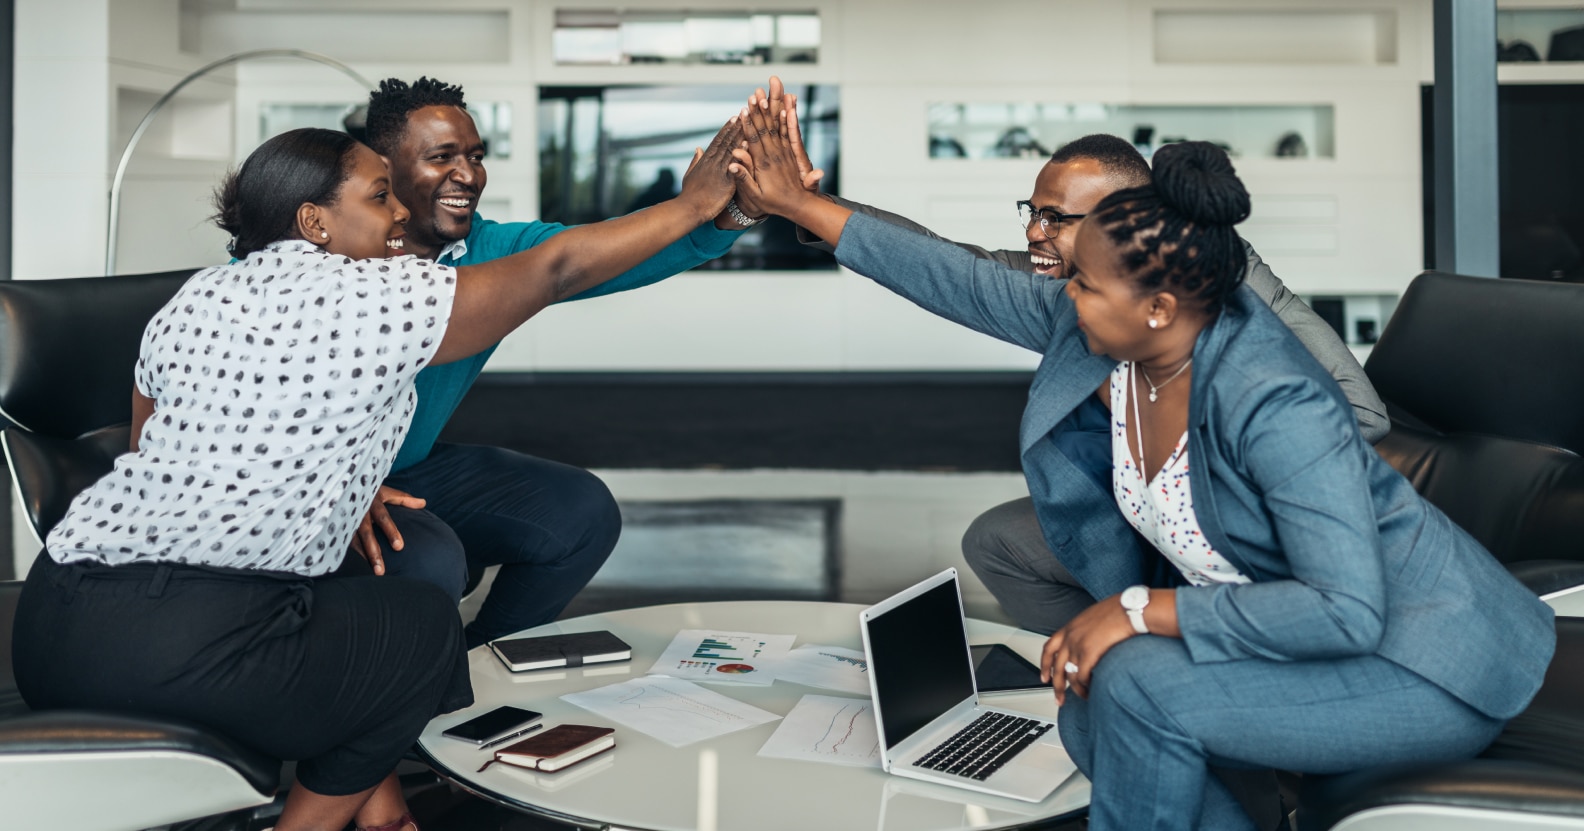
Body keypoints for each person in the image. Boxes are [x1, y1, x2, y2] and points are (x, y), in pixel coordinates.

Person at [728, 104, 1555, 831]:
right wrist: (801, 203)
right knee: (1095, 701)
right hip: (1293, 623)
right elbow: (951, 275)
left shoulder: (1274, 399)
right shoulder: (1119, 329)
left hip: (1422, 662)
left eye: (1083, 284)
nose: (1062, 294)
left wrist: (1135, 608)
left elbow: (1346, 611)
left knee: (1135, 687)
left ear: (1158, 306)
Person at [11, 120, 742, 831]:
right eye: (379, 196)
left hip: (53, 628)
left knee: (383, 595)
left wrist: (337, 483)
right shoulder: (382, 295)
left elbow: (148, 444)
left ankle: (384, 799)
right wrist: (695, 204)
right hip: (197, 647)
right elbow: (557, 267)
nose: (400, 215)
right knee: (420, 631)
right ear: (315, 222)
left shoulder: (193, 297)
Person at [752, 76, 1387, 638]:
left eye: (1055, 218)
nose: (1034, 231)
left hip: (1263, 546)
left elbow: (1360, 414)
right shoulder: (1070, 296)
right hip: (1149, 517)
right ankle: (1103, 658)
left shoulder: (1225, 287)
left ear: (1127, 222)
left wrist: (1183, 487)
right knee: (1001, 542)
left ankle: (1161, 648)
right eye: (1033, 211)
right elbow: (952, 268)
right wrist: (810, 206)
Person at [347, 77, 765, 647]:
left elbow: (603, 256)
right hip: (311, 475)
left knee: (580, 511)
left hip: (410, 468)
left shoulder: (494, 250)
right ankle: (415, 691)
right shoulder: (326, 252)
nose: (468, 176)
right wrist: (337, 483)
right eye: (441, 157)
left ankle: (487, 658)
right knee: (430, 566)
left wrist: (735, 212)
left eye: (474, 157)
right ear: (383, 166)